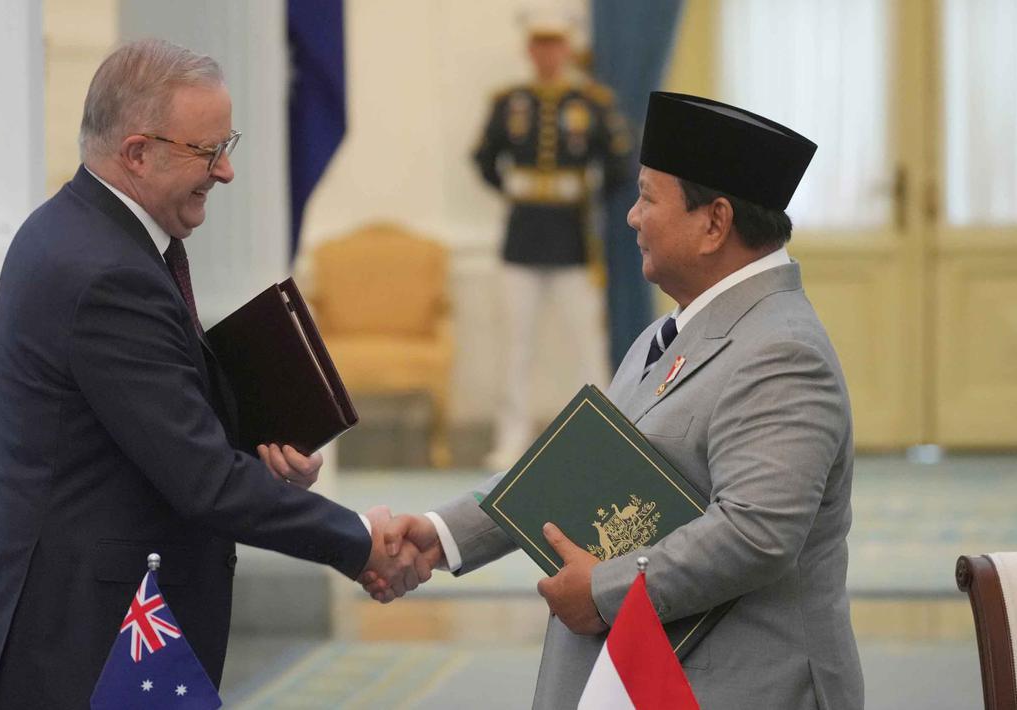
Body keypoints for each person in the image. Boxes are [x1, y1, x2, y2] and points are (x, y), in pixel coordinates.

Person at [0, 39, 427, 709]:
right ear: (137, 152)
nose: (227, 171)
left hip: (86, 637)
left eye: (225, 143)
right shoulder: (108, 274)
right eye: (207, 152)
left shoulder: (74, 232)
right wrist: (356, 541)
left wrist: (252, 451)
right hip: (86, 653)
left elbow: (139, 438)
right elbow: (200, 480)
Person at [366, 91, 864, 709]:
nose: (631, 217)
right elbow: (580, 469)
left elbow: (757, 532)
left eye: (648, 198)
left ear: (715, 223)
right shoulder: (671, 330)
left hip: (741, 685)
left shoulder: (781, 350)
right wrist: (443, 534)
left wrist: (604, 589)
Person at [474, 14, 634, 470]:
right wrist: (515, 187)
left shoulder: (592, 102)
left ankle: (605, 436)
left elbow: (620, 163)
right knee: (515, 345)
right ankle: (511, 440)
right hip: (521, 236)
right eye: (540, 45)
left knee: (587, 342)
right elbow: (485, 158)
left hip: (572, 237)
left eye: (555, 45)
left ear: (567, 49)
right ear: (530, 50)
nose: (548, 54)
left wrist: (588, 195)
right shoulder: (510, 102)